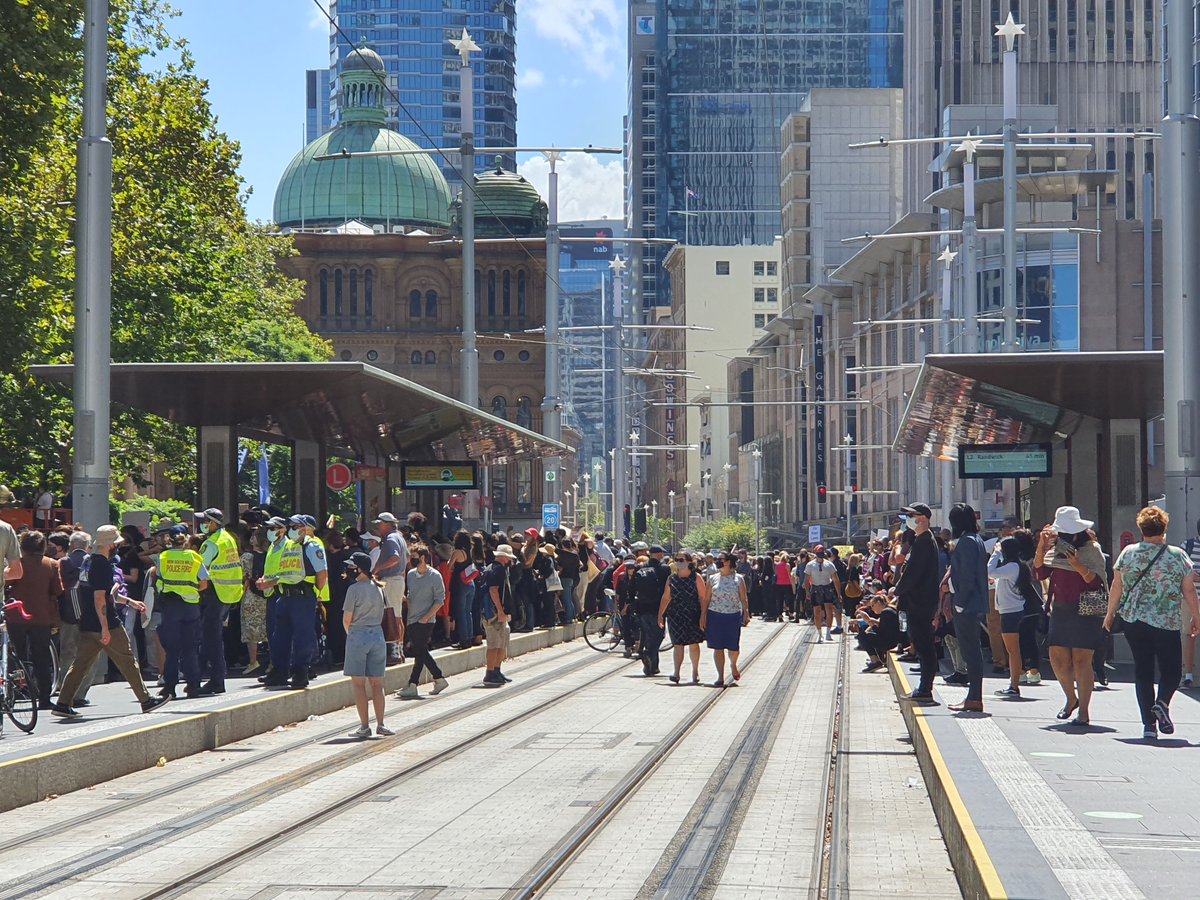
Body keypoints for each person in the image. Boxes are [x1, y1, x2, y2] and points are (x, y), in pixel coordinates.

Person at [51, 526, 168, 718]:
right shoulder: (103, 565)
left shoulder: (88, 561)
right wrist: (105, 627)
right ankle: (146, 700)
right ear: (111, 544)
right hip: (106, 623)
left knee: (80, 664)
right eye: (118, 542)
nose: (119, 545)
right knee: (128, 660)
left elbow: (103, 593)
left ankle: (63, 703)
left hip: (87, 622)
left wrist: (129, 601)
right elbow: (100, 598)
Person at [1105, 506, 1200, 739]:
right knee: (1171, 670)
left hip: (1133, 621)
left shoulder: (1128, 552)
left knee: (1143, 671)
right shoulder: (1177, 555)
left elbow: (1117, 585)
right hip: (1165, 620)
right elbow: (1189, 590)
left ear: (1141, 528)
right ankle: (1162, 703)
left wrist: (1110, 613)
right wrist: (1197, 616)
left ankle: (1149, 726)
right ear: (1164, 528)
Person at [1034, 506, 1108, 726]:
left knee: (1081, 660)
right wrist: (1041, 546)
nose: (1062, 539)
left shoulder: (1092, 549)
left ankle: (1083, 711)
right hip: (1062, 609)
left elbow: (1097, 583)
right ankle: (1070, 699)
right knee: (1057, 657)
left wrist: (1078, 565)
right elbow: (1039, 573)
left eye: (1066, 535)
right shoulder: (1054, 550)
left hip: (1087, 608)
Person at [149, 525, 209, 701]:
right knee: (190, 648)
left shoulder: (163, 557)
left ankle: (169, 687)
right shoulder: (194, 557)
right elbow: (204, 583)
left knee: (172, 649)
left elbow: (157, 576)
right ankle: (193, 685)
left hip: (171, 607)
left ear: (170, 539)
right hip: (191, 607)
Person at [7, 530, 63, 709]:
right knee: (42, 658)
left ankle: (15, 693)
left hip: (16, 616)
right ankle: (44, 698)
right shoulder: (51, 564)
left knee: (16, 656)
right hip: (41, 617)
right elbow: (58, 590)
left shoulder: (16, 565)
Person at [341, 551, 393, 737]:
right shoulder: (378, 587)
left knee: (359, 685)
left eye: (352, 566)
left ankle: (364, 726)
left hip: (358, 635)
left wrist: (352, 635)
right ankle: (381, 724)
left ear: (359, 569)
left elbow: (347, 619)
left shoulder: (353, 590)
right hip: (377, 636)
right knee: (378, 684)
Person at [893, 503, 941, 704]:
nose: (908, 519)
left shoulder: (924, 542)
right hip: (918, 601)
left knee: (924, 645)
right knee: (921, 644)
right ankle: (923, 687)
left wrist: (897, 590)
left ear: (922, 518)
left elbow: (913, 574)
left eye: (911, 515)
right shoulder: (920, 540)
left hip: (920, 602)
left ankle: (925, 689)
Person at [946, 503, 988, 713]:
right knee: (972, 650)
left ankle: (974, 697)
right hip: (972, 603)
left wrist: (960, 602)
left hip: (967, 604)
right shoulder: (976, 540)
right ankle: (973, 696)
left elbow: (968, 576)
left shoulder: (967, 542)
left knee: (970, 651)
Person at [989, 537, 1044, 698]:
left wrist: (995, 553)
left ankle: (1014, 685)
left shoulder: (1012, 566)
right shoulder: (1014, 567)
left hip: (1011, 613)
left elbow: (989, 570)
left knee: (1013, 651)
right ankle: (1015, 681)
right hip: (1011, 611)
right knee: (1014, 650)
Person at [195, 509, 242, 695]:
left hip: (216, 593)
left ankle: (216, 680)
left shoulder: (211, 544)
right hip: (228, 593)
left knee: (211, 638)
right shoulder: (228, 538)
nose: (203, 523)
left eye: (206, 521)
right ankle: (205, 676)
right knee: (211, 636)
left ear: (214, 523)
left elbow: (199, 570)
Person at [399, 545, 449, 699]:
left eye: (414, 556)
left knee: (419, 651)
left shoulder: (435, 576)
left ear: (422, 557)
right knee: (420, 651)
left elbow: (440, 599)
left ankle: (413, 684)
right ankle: (439, 678)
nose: (411, 560)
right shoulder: (411, 575)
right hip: (412, 619)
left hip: (426, 620)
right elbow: (411, 594)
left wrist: (426, 617)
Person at [658, 551, 707, 684]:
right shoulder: (671, 578)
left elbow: (703, 597)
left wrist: (703, 615)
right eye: (677, 559)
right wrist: (660, 615)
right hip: (675, 614)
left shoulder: (696, 577)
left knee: (693, 644)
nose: (679, 562)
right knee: (677, 644)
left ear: (689, 562)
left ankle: (695, 671)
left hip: (693, 614)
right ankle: (676, 672)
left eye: (682, 559)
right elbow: (666, 597)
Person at [703, 551, 750, 687]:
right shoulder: (712, 578)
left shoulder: (738, 578)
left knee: (733, 647)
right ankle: (720, 676)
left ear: (728, 562)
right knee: (717, 647)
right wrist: (703, 615)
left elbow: (743, 597)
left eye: (721, 559)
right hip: (715, 615)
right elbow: (706, 598)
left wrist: (746, 612)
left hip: (733, 615)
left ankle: (733, 664)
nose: (718, 561)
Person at [372, 512, 409, 664]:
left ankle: (394, 652)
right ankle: (398, 650)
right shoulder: (400, 537)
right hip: (398, 579)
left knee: (392, 616)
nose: (378, 527)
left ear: (387, 524)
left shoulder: (391, 539)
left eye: (380, 524)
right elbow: (405, 559)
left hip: (391, 580)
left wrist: (377, 568)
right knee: (397, 616)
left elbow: (395, 558)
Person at [481, 544, 516, 686]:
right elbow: (493, 590)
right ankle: (490, 672)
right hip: (494, 614)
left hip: (494, 612)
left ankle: (496, 670)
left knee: (501, 642)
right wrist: (500, 611)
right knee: (494, 644)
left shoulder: (490, 568)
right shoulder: (498, 570)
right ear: (504, 558)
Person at [632, 545, 670, 676]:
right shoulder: (664, 569)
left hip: (642, 607)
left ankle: (652, 667)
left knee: (648, 635)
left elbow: (632, 588)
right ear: (659, 554)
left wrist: (629, 605)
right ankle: (648, 654)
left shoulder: (639, 567)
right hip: (658, 607)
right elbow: (668, 589)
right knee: (659, 635)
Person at [240, 530, 269, 676]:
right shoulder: (271, 554)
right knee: (268, 628)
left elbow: (243, 575)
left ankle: (253, 661)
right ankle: (272, 662)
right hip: (267, 594)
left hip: (251, 595)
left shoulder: (246, 557)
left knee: (250, 629)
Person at [804, 546, 843, 643]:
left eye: (822, 552)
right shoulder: (810, 565)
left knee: (829, 610)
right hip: (816, 588)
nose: (820, 554)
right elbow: (806, 579)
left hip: (827, 588)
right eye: (818, 552)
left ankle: (828, 632)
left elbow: (835, 579)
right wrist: (807, 591)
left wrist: (839, 593)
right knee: (817, 612)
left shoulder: (829, 565)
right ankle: (819, 633)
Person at [858, 594, 901, 672]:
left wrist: (869, 622)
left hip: (891, 642)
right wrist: (873, 622)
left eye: (873, 606)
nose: (872, 609)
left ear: (878, 603)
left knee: (863, 636)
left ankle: (875, 661)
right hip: (894, 639)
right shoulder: (890, 609)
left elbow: (882, 633)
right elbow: (885, 628)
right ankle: (879, 660)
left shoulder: (886, 612)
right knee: (865, 632)